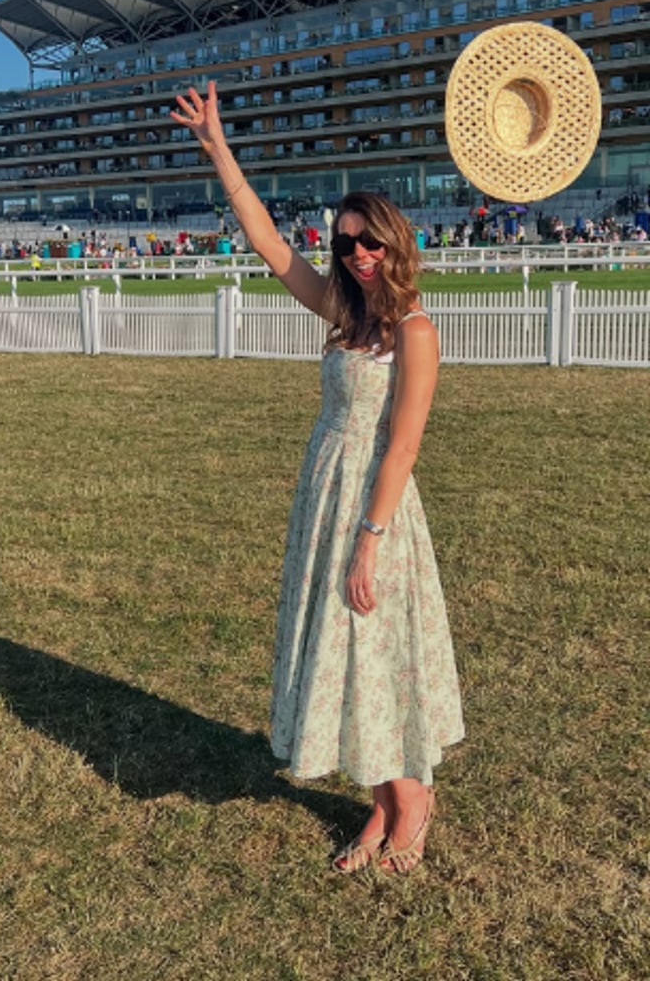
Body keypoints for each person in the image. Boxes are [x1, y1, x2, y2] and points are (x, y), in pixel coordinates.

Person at [171, 84, 463, 874]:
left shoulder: (415, 332)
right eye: (344, 244)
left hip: (375, 507)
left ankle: (414, 804)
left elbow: (402, 449)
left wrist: (369, 541)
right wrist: (220, 151)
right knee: (341, 649)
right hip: (323, 495)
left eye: (368, 243)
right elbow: (269, 244)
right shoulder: (344, 311)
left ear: (394, 244)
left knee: (375, 646)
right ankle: (379, 802)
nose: (356, 255)